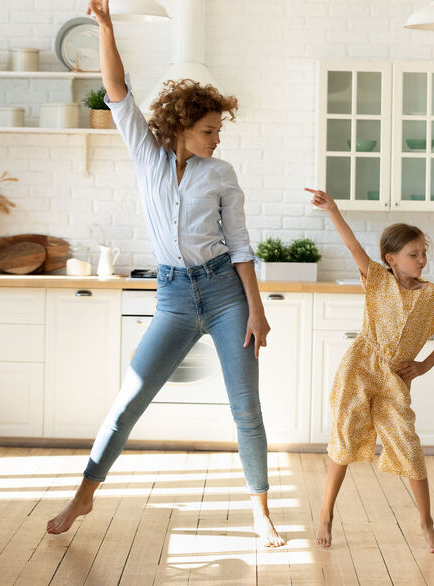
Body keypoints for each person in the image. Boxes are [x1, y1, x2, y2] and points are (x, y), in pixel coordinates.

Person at [47, 0, 285, 548]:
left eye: (218, 130)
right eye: (208, 130)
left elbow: (242, 246)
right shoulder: (147, 156)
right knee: (130, 398)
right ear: (182, 127)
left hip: (226, 294)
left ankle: (261, 511)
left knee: (245, 407)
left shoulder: (221, 174)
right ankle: (84, 493)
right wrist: (106, 27)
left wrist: (257, 309)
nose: (216, 138)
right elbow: (118, 91)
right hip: (175, 298)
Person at [305, 188, 434, 553]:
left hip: (394, 379)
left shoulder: (430, 295)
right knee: (344, 439)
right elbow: (353, 244)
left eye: (424, 253)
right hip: (359, 369)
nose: (421, 259)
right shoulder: (376, 279)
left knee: (408, 445)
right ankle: (326, 514)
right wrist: (333, 209)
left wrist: (423, 366)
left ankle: (427, 522)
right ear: (391, 258)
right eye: (413, 254)